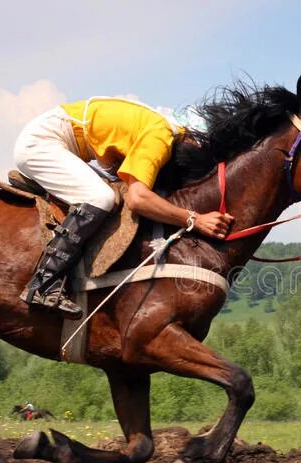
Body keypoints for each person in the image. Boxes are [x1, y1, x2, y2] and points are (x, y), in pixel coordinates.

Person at [13, 97, 234, 319]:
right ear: (193, 138)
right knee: (100, 198)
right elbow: (137, 199)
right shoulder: (161, 135)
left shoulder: (159, 128)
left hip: (55, 140)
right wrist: (194, 219)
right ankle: (43, 284)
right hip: (42, 142)